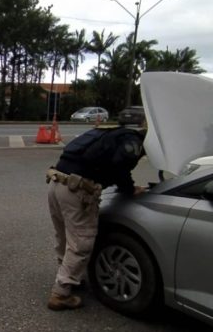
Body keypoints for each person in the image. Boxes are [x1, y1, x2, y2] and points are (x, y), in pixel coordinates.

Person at [45, 126, 146, 310]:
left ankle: (67, 278)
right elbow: (120, 165)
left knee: (65, 236)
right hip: (77, 190)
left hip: (56, 182)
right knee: (81, 242)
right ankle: (61, 293)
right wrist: (129, 189)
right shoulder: (133, 142)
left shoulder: (110, 133)